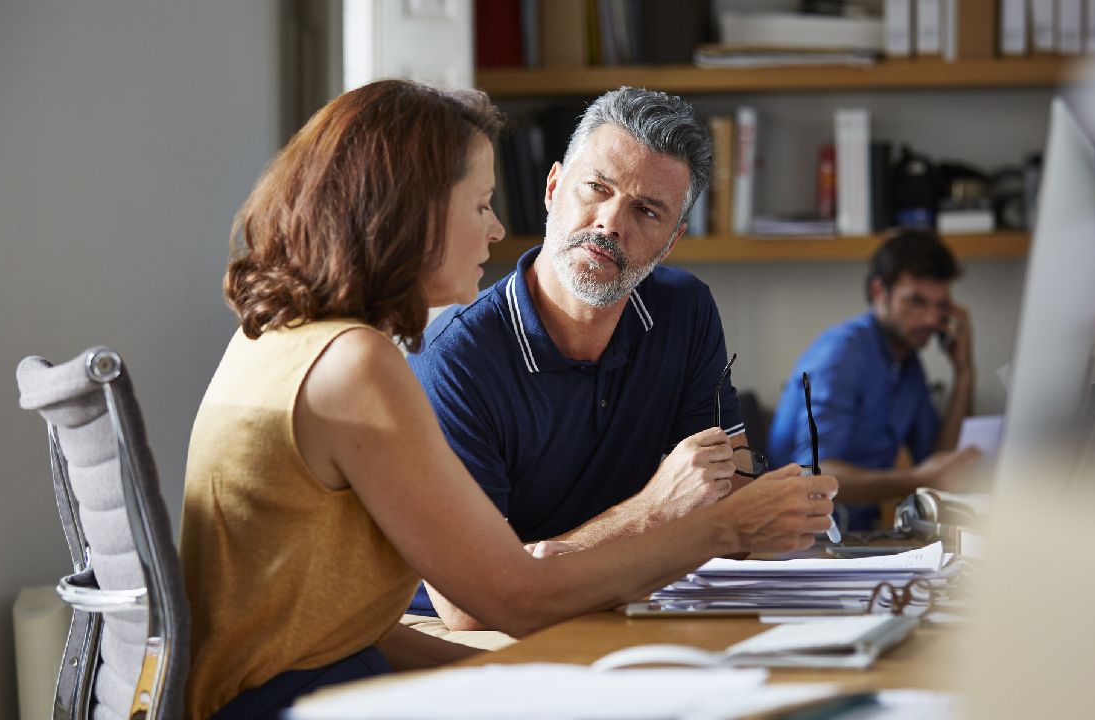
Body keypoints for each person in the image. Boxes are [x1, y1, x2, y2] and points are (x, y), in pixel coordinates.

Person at [178, 79, 835, 719]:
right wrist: (720, 526)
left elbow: (333, 628)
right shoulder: (357, 365)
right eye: (481, 203)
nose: (495, 231)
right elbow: (509, 599)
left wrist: (509, 671)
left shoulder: (276, 339)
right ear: (412, 212)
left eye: (646, 210)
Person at [404, 86, 769, 630]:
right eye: (596, 188)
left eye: (647, 211)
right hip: (478, 647)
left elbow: (730, 495)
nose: (610, 224)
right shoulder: (454, 360)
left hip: (626, 610)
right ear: (553, 188)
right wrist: (654, 513)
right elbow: (472, 606)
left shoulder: (684, 310)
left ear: (670, 242)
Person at [766, 231, 980, 532]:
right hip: (798, 539)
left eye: (942, 306)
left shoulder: (908, 364)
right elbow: (813, 475)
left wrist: (964, 372)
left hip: (856, 536)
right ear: (880, 292)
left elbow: (941, 463)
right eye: (917, 302)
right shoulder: (841, 355)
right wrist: (917, 480)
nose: (932, 320)